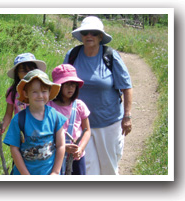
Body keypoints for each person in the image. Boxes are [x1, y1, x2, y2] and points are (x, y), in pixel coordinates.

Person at [63, 16, 133, 175]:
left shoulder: (110, 56)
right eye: (85, 32)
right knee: (87, 170)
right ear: (81, 35)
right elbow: (63, 82)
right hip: (81, 124)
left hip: (109, 122)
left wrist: (127, 117)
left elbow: (127, 87)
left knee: (108, 168)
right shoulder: (73, 55)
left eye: (94, 33)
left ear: (100, 37)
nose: (89, 36)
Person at [3, 69, 67, 175]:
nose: (40, 95)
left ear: (49, 92)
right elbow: (14, 148)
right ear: (26, 93)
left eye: (44, 91)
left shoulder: (55, 117)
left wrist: (55, 172)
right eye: (34, 92)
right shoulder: (19, 120)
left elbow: (61, 145)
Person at [48, 64, 91, 175]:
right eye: (66, 85)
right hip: (55, 156)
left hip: (76, 158)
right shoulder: (49, 107)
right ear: (58, 86)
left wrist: (80, 148)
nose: (70, 88)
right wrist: (62, 147)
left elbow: (87, 130)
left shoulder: (79, 105)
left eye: (73, 85)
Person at [0, 53, 46, 136]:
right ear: (17, 74)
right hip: (20, 131)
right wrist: (3, 127)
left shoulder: (42, 89)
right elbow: (8, 114)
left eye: (31, 70)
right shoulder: (13, 92)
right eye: (24, 71)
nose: (28, 73)